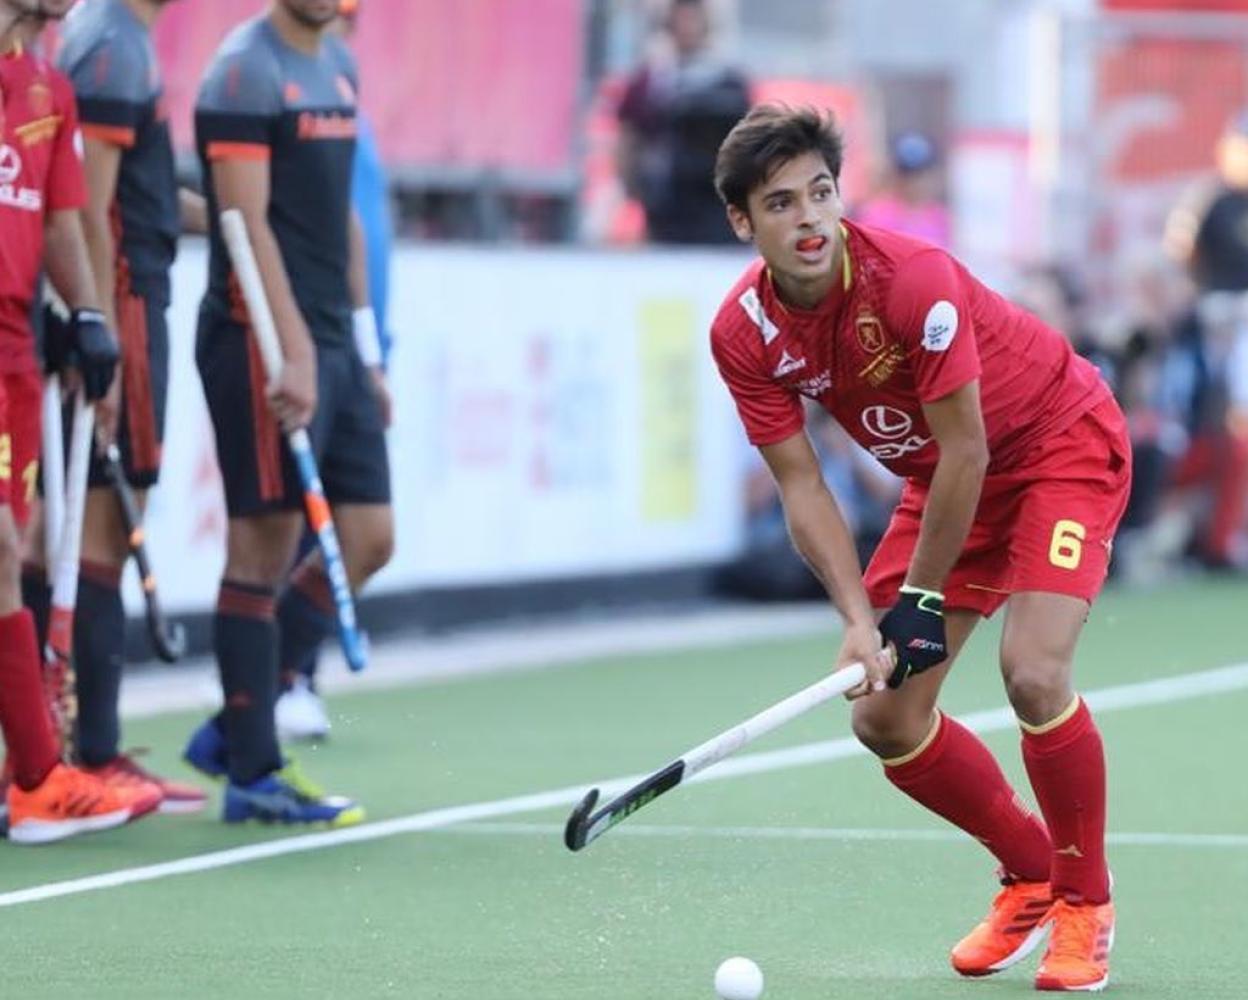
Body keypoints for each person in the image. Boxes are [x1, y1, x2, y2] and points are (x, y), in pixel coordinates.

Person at [710, 106, 1129, 992]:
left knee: (1034, 673)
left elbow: (970, 449)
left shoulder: (911, 281)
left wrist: (923, 601)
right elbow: (802, 485)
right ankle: (1032, 873)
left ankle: (1086, 904)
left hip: (1056, 443)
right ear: (743, 223)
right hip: (947, 482)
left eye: (821, 193)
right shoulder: (743, 333)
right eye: (781, 204)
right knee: (886, 718)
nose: (811, 219)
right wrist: (861, 621)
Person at [180, 0, 394, 826]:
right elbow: (245, 225)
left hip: (336, 340)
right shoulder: (244, 71)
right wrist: (292, 349)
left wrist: (364, 349)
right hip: (257, 336)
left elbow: (340, 218)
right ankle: (254, 773)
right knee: (263, 547)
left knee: (370, 538)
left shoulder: (337, 63)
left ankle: (237, 722)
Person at [21, 0, 208, 814]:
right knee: (91, 523)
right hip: (120, 300)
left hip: (127, 295)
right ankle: (83, 747)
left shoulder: (114, 41)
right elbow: (86, 206)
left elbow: (129, 189)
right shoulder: (108, 43)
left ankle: (74, 741)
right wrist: (94, 319)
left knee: (86, 521)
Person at [0, 0, 158, 842]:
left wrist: (89, 317)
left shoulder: (48, 89)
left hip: (14, 359)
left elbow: (62, 219)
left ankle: (33, 777)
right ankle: (35, 777)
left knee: (10, 549)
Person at [274, 0, 393, 742]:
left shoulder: (346, 94)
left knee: (368, 536)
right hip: (306, 338)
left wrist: (372, 346)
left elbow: (363, 231)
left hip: (360, 339)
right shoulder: (276, 87)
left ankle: (281, 657)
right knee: (292, 521)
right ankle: (285, 673)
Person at [616, 0, 750, 245]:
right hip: (666, 200)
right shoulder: (651, 82)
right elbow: (628, 137)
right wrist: (633, 187)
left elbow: (749, 140)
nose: (687, 28)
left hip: (717, 201)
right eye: (681, 20)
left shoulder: (729, 81)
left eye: (693, 20)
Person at [855, 130, 951, 249]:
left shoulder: (939, 218)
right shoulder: (876, 216)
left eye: (921, 174)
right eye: (908, 175)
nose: (915, 182)